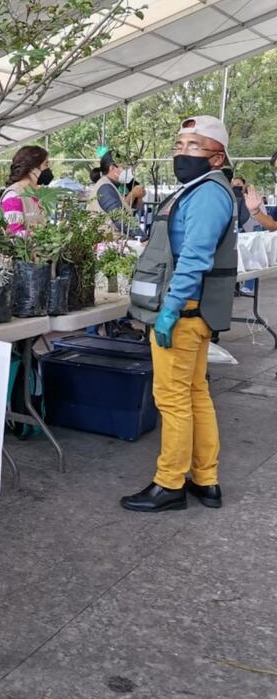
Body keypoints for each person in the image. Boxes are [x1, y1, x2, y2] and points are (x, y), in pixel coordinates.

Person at [123, 115, 236, 513]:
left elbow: (195, 258)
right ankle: (206, 479)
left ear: (217, 158)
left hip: (184, 310)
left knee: (171, 399)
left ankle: (169, 483)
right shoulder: (202, 190)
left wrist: (170, 310)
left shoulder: (205, 194)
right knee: (195, 394)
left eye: (194, 146)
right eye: (179, 145)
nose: (182, 152)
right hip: (194, 310)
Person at [87, 150, 144, 234]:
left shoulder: (110, 185)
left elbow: (124, 212)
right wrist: (143, 237)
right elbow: (121, 220)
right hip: (105, 242)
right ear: (112, 168)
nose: (129, 171)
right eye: (125, 167)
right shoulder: (105, 188)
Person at [0, 145, 52, 235]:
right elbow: (14, 234)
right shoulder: (13, 195)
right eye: (46, 164)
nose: (49, 169)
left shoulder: (35, 195)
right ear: (33, 170)